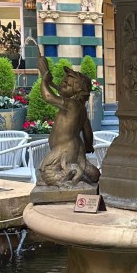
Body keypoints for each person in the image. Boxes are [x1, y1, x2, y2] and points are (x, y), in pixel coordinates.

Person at [36, 56, 99, 187]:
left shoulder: (72, 104)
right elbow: (87, 131)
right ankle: (84, 174)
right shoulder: (80, 108)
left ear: (77, 91)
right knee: (93, 174)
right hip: (74, 147)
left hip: (64, 149)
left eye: (67, 85)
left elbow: (48, 97)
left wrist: (44, 81)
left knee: (46, 172)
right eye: (63, 82)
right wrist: (88, 146)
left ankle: (71, 177)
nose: (62, 85)